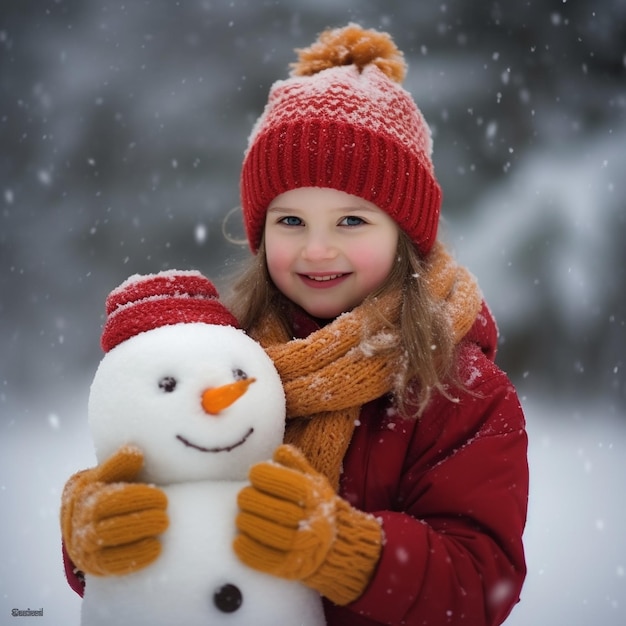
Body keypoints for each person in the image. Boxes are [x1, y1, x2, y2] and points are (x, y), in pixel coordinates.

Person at [61, 23, 528, 626]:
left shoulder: (460, 389)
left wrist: (343, 549)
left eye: (352, 222)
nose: (316, 251)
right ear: (261, 232)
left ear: (405, 234)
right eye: (291, 222)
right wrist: (91, 536)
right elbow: (155, 493)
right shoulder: (226, 354)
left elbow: (481, 583)